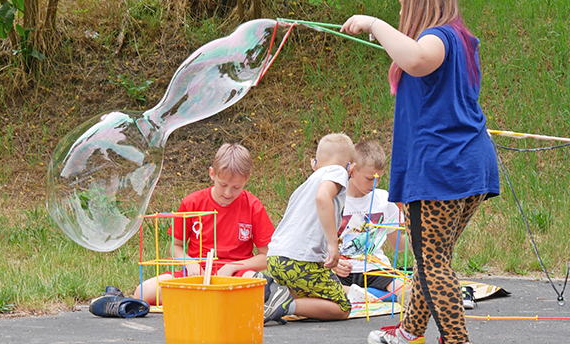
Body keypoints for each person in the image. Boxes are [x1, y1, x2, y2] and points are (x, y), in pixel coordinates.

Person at [340, 0, 500, 344]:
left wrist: (373, 22)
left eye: (401, 3)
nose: (399, 13)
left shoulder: (438, 38)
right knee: (434, 258)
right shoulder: (462, 39)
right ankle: (409, 338)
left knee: (431, 261)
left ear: (419, 0)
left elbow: (415, 59)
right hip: (465, 164)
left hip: (441, 167)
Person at [132, 143, 274, 305]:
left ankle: (204, 301)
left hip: (236, 276)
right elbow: (175, 246)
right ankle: (207, 300)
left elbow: (267, 257)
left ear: (247, 178)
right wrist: (189, 262)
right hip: (195, 275)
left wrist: (233, 267)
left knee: (261, 291)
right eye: (223, 185)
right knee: (143, 292)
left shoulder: (253, 206)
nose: (228, 193)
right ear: (212, 174)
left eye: (236, 187)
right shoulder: (192, 202)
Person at [263, 133, 355, 324]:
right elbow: (323, 197)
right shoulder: (338, 172)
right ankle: (285, 305)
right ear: (350, 167)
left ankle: (271, 293)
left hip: (276, 258)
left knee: (312, 296)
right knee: (342, 307)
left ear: (314, 163)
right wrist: (332, 244)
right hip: (300, 262)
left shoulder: (306, 184)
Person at [335, 140, 406, 302]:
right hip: (339, 270)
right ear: (352, 171)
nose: (375, 184)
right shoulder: (334, 198)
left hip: (375, 269)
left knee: (406, 288)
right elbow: (316, 242)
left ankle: (363, 296)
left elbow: (398, 246)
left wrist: (419, 234)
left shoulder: (384, 200)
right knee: (318, 288)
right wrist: (330, 262)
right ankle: (363, 295)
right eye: (369, 178)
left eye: (379, 178)